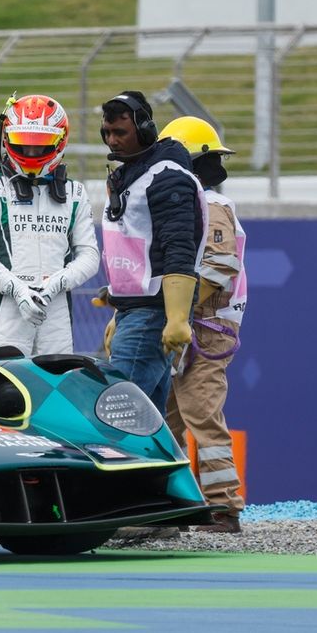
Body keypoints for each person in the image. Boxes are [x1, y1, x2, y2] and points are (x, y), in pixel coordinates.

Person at [158, 116, 246, 534]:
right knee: (165, 418)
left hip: (205, 329)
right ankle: (170, 506)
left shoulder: (211, 207)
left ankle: (223, 507)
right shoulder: (197, 203)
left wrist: (173, 310)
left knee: (200, 413)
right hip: (190, 324)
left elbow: (218, 269)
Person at [0, 94, 100, 356]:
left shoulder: (75, 193)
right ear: (8, 139)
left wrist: (58, 283)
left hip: (56, 307)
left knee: (57, 387)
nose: (31, 151)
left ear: (59, 141)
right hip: (7, 308)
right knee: (3, 389)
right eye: (24, 143)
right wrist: (17, 288)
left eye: (40, 144)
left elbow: (90, 255)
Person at [100, 91, 207, 414]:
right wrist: (120, 311)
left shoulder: (164, 177)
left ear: (145, 130)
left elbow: (178, 246)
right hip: (140, 311)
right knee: (147, 423)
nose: (111, 141)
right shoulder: (135, 174)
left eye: (120, 132)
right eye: (107, 132)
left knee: (116, 417)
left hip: (153, 313)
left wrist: (175, 317)